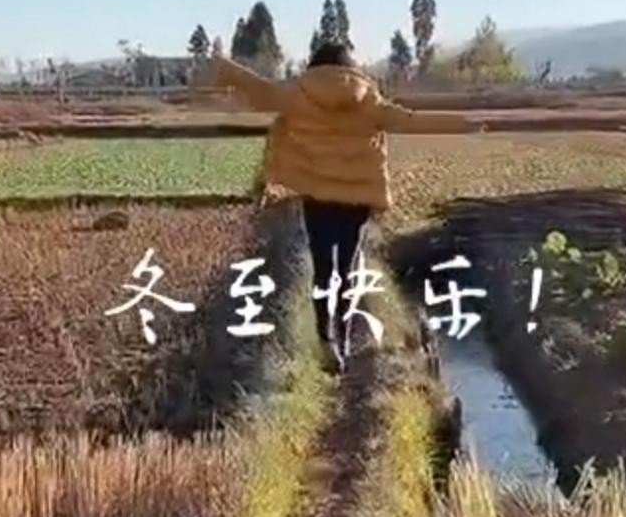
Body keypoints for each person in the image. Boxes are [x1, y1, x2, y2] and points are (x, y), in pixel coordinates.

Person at [199, 41, 482, 373]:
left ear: (315, 66)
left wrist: (224, 68)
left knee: (323, 269)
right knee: (347, 271)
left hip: (317, 197)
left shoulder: (298, 93)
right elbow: (410, 120)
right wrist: (464, 122)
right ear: (351, 67)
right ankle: (344, 340)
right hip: (357, 200)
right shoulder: (368, 99)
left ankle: (326, 339)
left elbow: (260, 91)